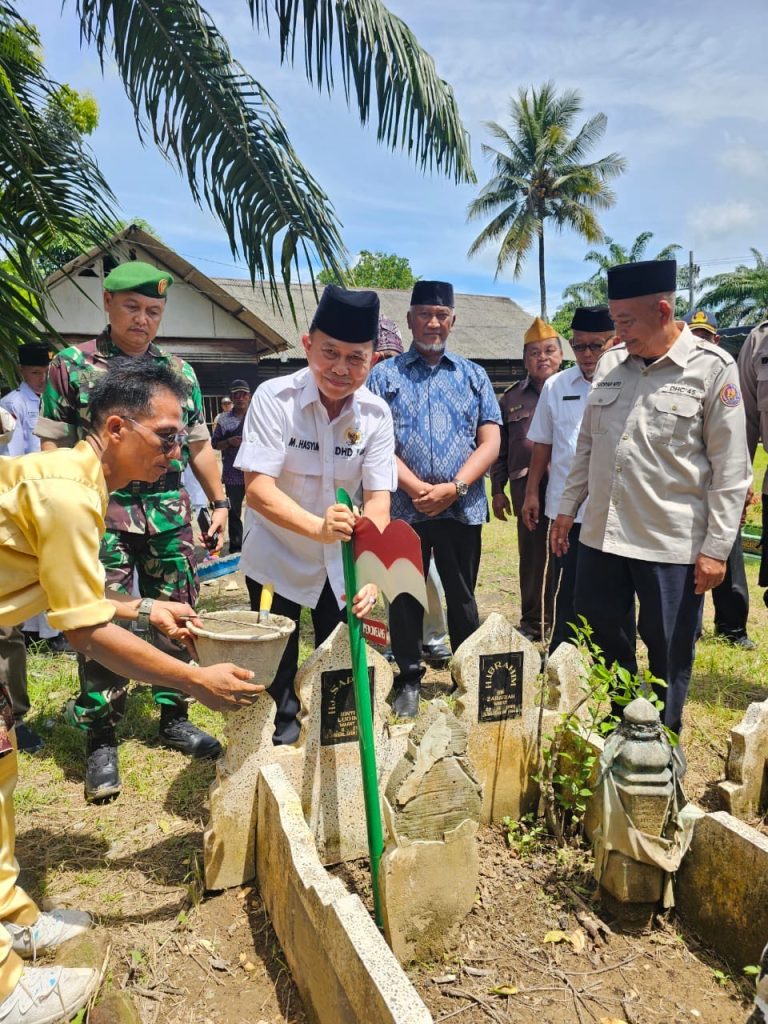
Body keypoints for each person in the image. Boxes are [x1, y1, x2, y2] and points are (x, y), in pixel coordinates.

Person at [0, 358, 262, 1024]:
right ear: (115, 427)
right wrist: (193, 679)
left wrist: (144, 610)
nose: (178, 452)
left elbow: (82, 594)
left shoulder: (82, 485)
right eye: (167, 436)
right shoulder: (68, 493)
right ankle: (4, 989)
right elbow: (84, 634)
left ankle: (11, 917)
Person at [35, 261, 229, 803]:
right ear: (108, 304)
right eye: (132, 308)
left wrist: (218, 501)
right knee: (97, 612)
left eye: (154, 310)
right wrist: (60, 505)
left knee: (178, 609)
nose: (143, 320)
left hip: (167, 512)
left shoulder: (179, 372)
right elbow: (52, 444)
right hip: (101, 510)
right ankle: (101, 730)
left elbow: (198, 447)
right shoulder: (71, 367)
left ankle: (173, 714)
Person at [551, 259, 751, 736]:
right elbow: (587, 446)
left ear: (662, 310)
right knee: (602, 634)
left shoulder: (711, 369)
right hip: (602, 535)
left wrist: (716, 550)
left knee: (669, 649)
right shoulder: (611, 367)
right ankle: (619, 728)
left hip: (670, 545)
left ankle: (661, 744)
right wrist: (566, 508)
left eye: (624, 322)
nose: (615, 333)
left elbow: (731, 472)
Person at [236, 285, 395, 744]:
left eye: (355, 358)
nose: (340, 369)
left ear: (373, 359)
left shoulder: (377, 415)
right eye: (329, 353)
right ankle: (278, 748)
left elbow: (380, 500)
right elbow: (258, 490)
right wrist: (317, 528)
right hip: (276, 558)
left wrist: (371, 571)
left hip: (340, 565)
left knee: (342, 662)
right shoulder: (274, 398)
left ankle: (336, 754)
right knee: (275, 670)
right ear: (307, 346)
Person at [367, 281, 501, 718]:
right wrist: (412, 487)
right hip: (404, 508)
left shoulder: (473, 375)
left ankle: (466, 673)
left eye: (441, 315)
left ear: (452, 321)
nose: (433, 322)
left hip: (461, 508)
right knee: (403, 593)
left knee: (462, 596)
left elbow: (491, 440)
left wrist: (454, 488)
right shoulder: (383, 376)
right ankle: (408, 677)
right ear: (409, 320)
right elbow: (374, 439)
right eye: (424, 313)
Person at [522, 306, 615, 651]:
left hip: (613, 509)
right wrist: (532, 493)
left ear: (613, 342)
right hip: (567, 509)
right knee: (566, 585)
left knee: (610, 589)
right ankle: (563, 650)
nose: (587, 355)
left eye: (596, 346)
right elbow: (543, 444)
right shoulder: (557, 386)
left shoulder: (628, 380)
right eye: (579, 346)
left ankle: (607, 655)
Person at [0, 345, 64, 757]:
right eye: (35, 371)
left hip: (21, 507)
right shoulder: (12, 404)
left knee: (8, 627)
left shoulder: (44, 403)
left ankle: (13, 719)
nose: (41, 376)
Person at [374, 317, 450, 665]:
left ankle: (433, 634)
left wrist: (420, 486)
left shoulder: (404, 379)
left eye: (387, 353)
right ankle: (399, 638)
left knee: (428, 572)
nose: (381, 361)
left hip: (415, 495)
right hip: (378, 494)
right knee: (390, 572)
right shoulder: (359, 389)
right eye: (376, 355)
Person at [683, 310, 754, 650]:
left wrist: (745, 481)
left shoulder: (728, 374)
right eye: (694, 334)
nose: (699, 341)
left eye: (705, 336)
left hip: (722, 486)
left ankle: (733, 628)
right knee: (687, 563)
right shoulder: (679, 375)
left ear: (716, 339)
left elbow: (738, 439)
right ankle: (689, 628)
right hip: (690, 491)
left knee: (729, 553)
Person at [491, 317, 563, 640]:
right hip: (525, 488)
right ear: (524, 360)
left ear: (561, 355)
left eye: (549, 350)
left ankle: (563, 618)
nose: (542, 358)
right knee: (532, 555)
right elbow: (501, 449)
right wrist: (498, 489)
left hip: (565, 486)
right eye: (534, 353)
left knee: (566, 551)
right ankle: (533, 620)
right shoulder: (510, 399)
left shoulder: (573, 390)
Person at [211, 379, 251, 554]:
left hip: (256, 471)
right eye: (237, 394)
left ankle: (256, 546)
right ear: (232, 397)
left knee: (260, 511)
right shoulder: (224, 420)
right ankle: (236, 548)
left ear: (249, 396)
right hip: (233, 473)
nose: (240, 398)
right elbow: (214, 444)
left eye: (243, 394)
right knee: (234, 512)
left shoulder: (259, 415)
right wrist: (228, 441)